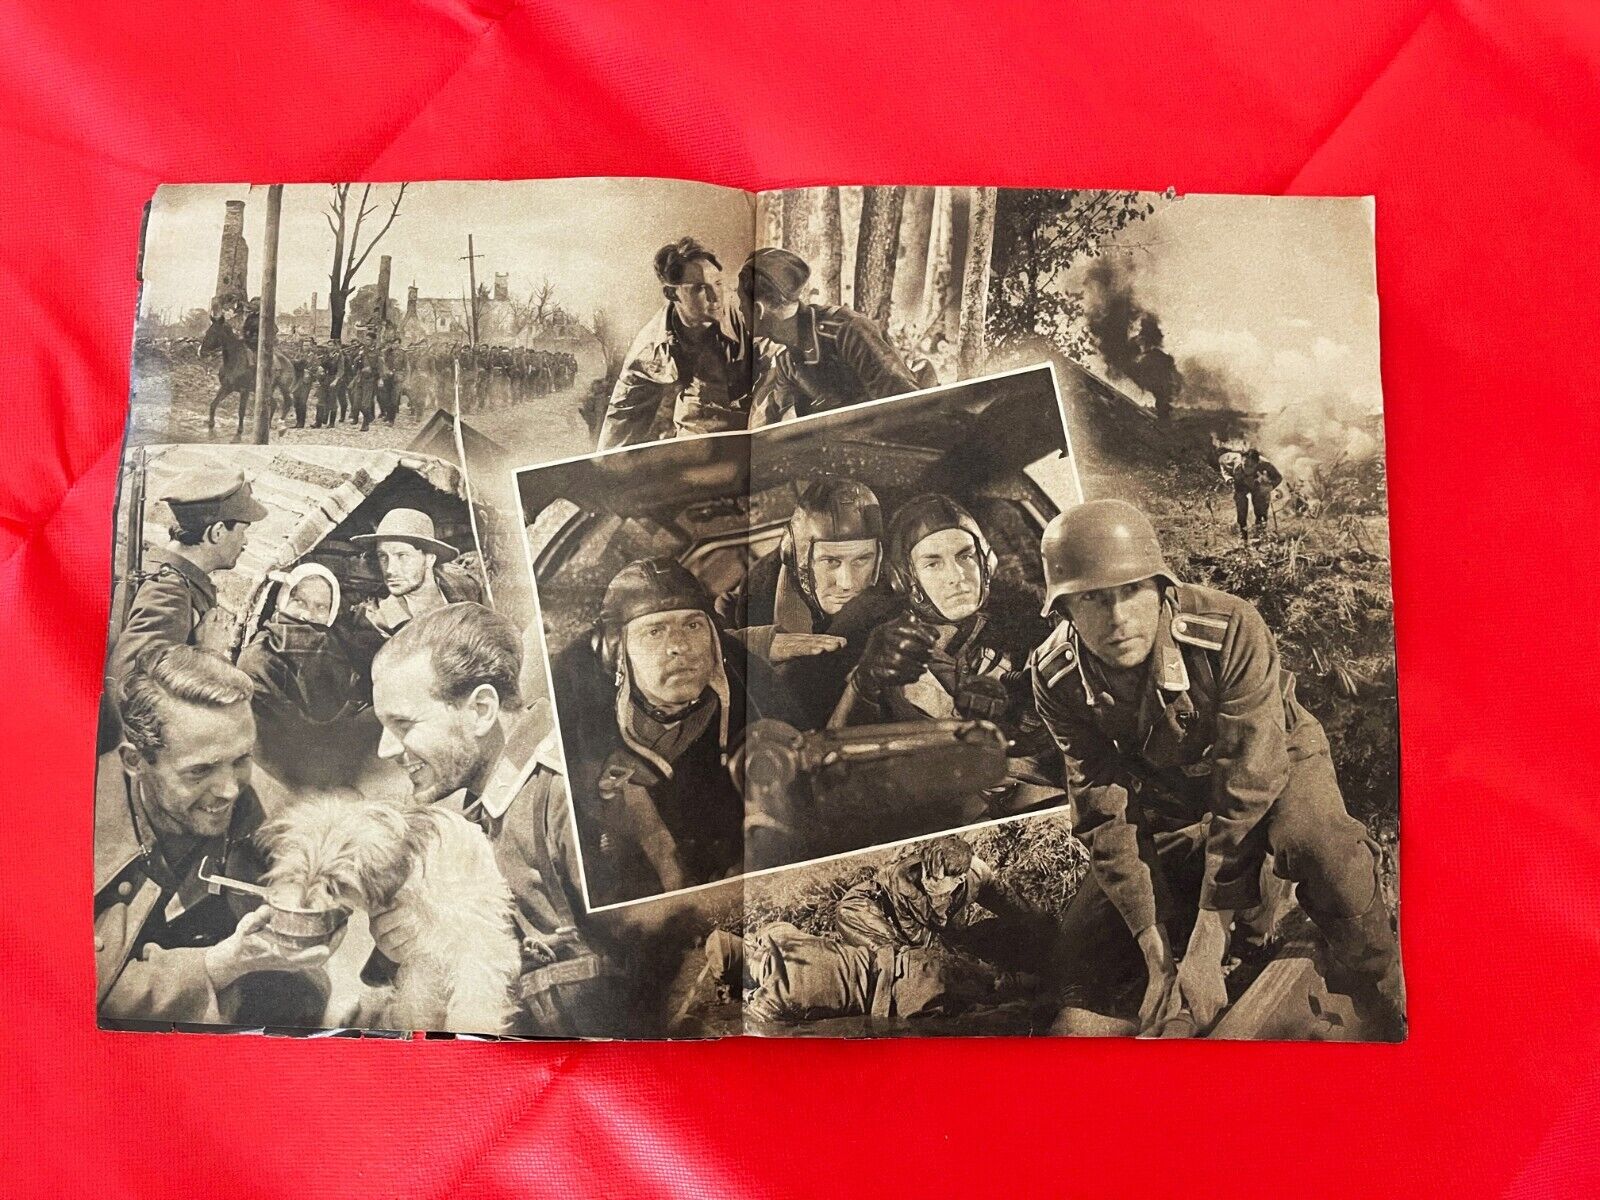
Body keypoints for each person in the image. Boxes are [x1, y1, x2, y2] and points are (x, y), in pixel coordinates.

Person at [1029, 500, 1405, 1038]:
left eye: (1132, 590)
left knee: (1318, 845)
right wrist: (1157, 955)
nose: (1117, 618)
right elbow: (1102, 809)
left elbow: (1249, 777)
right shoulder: (1056, 677)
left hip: (1275, 757)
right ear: (1063, 609)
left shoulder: (1227, 627)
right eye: (1092, 598)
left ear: (1162, 588)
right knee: (1079, 946)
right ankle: (1247, 907)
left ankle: (1382, 994)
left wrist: (1209, 940)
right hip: (1172, 789)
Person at [367, 602, 629, 1036]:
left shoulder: (568, 794)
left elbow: (651, 956)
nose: (385, 749)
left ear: (481, 710)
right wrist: (424, 941)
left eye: (403, 724)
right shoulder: (480, 813)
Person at [95, 645, 334, 1025]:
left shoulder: (274, 814)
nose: (230, 790)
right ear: (135, 761)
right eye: (200, 771)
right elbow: (67, 994)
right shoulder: (62, 827)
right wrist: (219, 965)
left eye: (241, 760)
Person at [552, 558, 769, 905]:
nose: (679, 646)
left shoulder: (748, 684)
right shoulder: (574, 714)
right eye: (654, 631)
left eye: (693, 625)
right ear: (618, 652)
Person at [831, 494, 1061, 815]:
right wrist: (864, 685)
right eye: (933, 563)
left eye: (965, 556)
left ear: (987, 562)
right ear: (904, 578)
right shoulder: (882, 651)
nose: (957, 576)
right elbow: (836, 770)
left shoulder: (1037, 631)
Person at [718, 477, 897, 728]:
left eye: (862, 560)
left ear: (879, 558)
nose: (846, 582)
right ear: (797, 558)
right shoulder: (758, 590)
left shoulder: (899, 605)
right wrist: (755, 642)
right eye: (830, 561)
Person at [106, 468, 268, 696]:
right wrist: (207, 655)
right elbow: (128, 690)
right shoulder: (169, 592)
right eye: (243, 531)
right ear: (217, 532)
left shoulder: (164, 572)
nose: (245, 542)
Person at [598, 238, 753, 449]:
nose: (716, 297)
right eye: (700, 288)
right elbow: (618, 431)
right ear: (671, 293)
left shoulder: (745, 310)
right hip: (702, 438)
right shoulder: (649, 351)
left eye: (718, 283)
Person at [739, 247, 918, 424]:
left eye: (741, 300)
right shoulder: (787, 360)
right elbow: (779, 424)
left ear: (758, 310)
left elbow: (908, 405)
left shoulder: (846, 331)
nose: (739, 308)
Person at [235, 563, 366, 790]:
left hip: (339, 770)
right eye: (299, 602)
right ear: (282, 601)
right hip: (275, 776)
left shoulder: (342, 652)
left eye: (321, 607)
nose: (307, 615)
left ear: (331, 613)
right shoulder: (259, 656)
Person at [349, 508, 484, 641]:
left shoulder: (466, 589)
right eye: (383, 556)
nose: (390, 569)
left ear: (430, 559)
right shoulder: (375, 622)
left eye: (402, 555)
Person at [1233, 448, 1282, 541]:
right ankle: (1243, 533)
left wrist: (1269, 487)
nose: (1247, 469)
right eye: (1245, 465)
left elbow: (1278, 477)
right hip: (1242, 485)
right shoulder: (1237, 466)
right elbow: (1224, 468)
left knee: (1260, 504)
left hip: (1258, 486)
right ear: (1242, 461)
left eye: (1251, 466)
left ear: (1257, 463)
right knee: (1240, 502)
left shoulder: (1265, 464)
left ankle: (1260, 532)